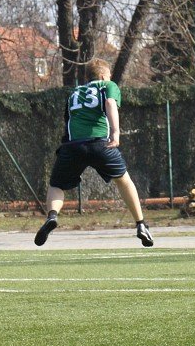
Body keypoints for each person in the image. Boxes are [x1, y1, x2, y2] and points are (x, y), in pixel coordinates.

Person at [35, 58, 154, 248]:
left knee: (57, 185)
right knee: (124, 180)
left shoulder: (74, 93)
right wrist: (116, 132)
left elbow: (68, 121)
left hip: (73, 146)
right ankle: (141, 224)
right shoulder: (108, 85)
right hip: (100, 144)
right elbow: (110, 103)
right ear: (103, 76)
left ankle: (52, 216)